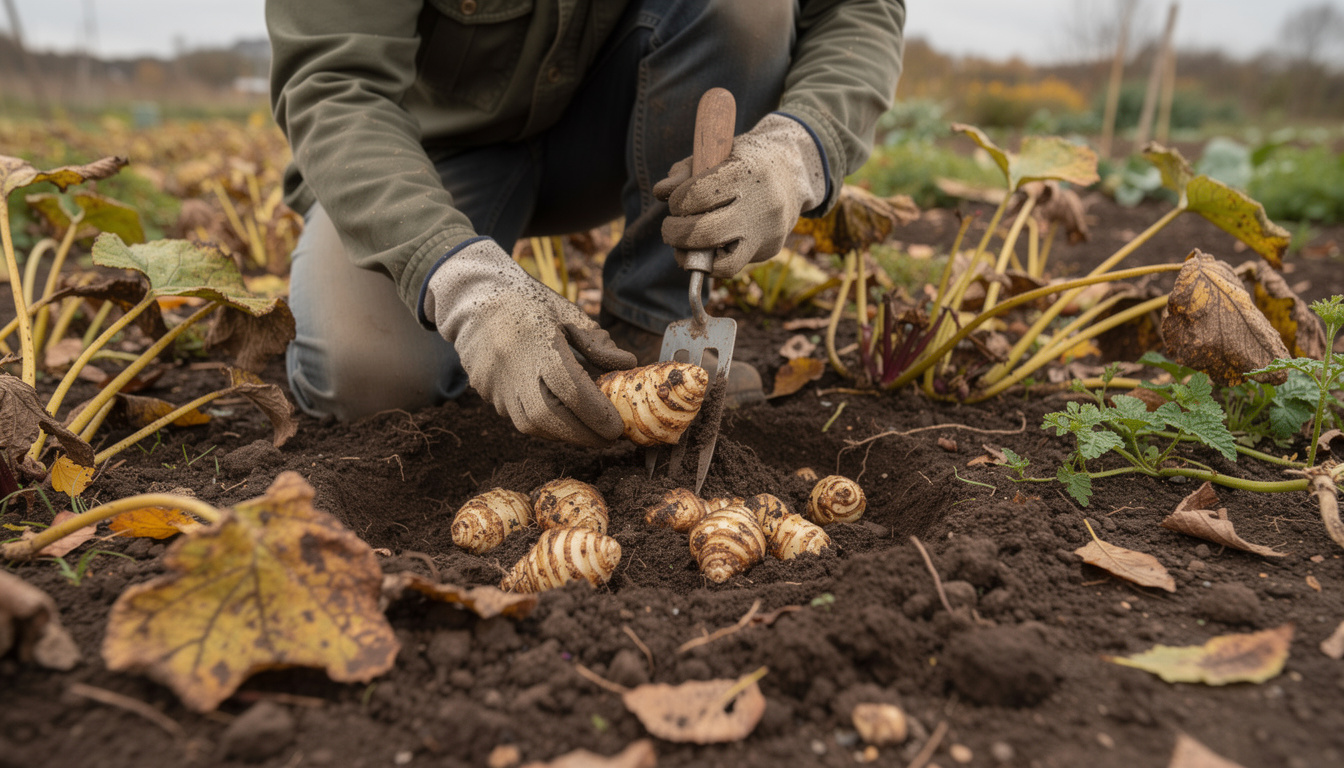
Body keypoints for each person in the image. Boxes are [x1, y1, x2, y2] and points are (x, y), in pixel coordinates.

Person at [267, 0, 904, 447]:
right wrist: (460, 281)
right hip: (426, 153)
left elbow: (857, 8)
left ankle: (654, 320)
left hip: (621, 124)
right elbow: (336, 85)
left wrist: (798, 149)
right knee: (366, 377)